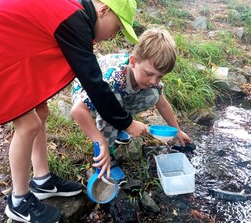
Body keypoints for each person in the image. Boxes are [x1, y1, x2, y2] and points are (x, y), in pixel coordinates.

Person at [0, 0, 149, 223]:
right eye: (116, 28)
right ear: (103, 11)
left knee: (40, 110)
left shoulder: (74, 15)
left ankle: (42, 180)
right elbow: (94, 83)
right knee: (28, 123)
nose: (112, 36)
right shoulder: (74, 20)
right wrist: (126, 123)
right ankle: (19, 201)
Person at [70, 28, 191, 184]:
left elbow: (162, 103)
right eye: (149, 74)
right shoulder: (114, 78)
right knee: (113, 100)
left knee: (153, 94)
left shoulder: (148, 75)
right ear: (133, 62)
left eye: (160, 76)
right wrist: (100, 142)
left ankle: (119, 126)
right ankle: (108, 154)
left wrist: (177, 130)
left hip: (116, 97)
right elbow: (77, 110)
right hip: (86, 95)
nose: (154, 80)